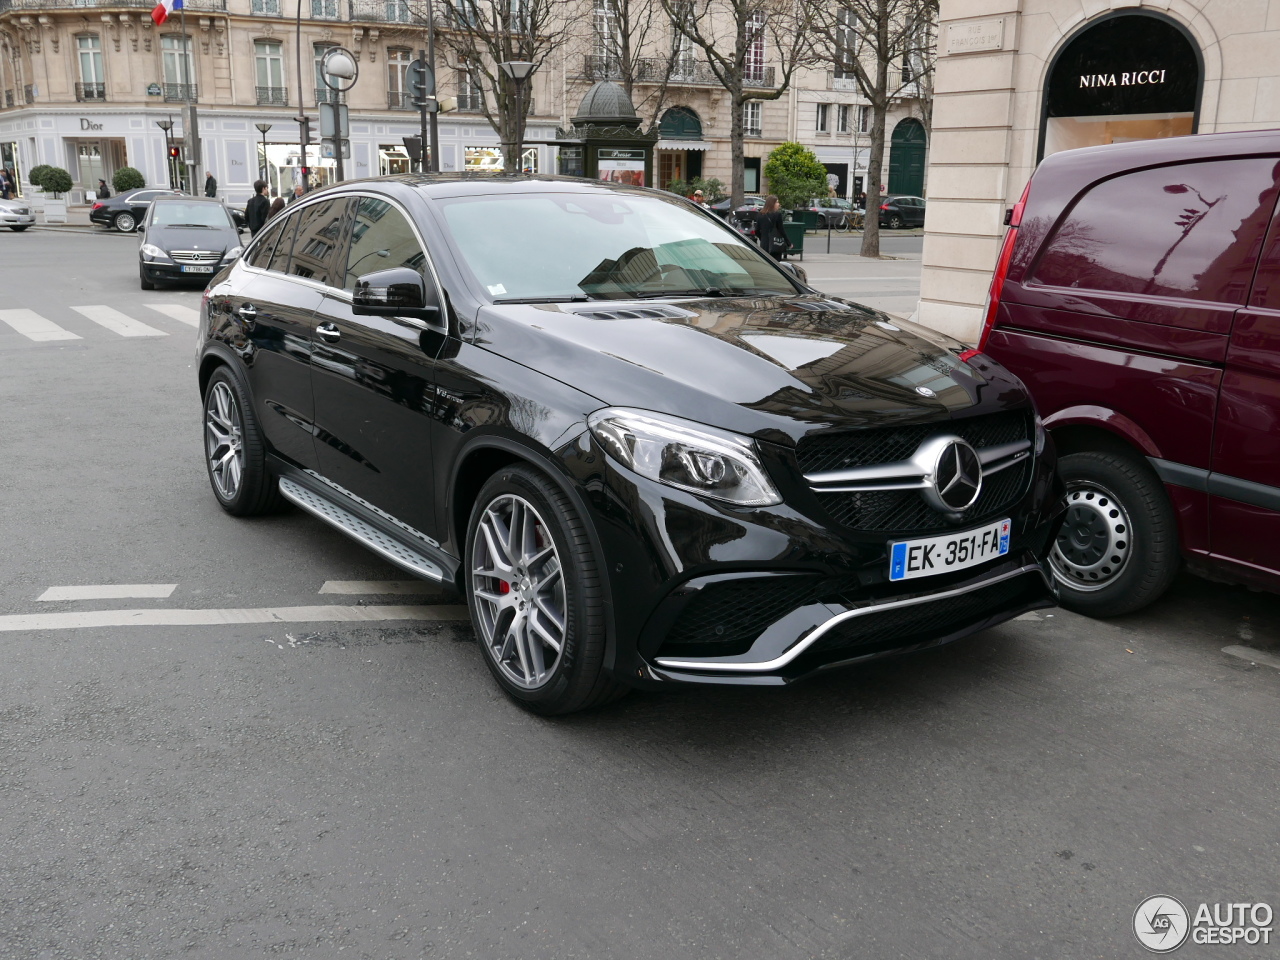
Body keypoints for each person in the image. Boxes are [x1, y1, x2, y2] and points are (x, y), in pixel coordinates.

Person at [755, 194, 790, 262]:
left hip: (764, 244)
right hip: (775, 243)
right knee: (776, 264)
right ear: (772, 204)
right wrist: (788, 242)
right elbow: (781, 230)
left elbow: (757, 230)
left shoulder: (760, 214)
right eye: (777, 202)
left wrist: (762, 238)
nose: (778, 204)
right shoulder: (777, 215)